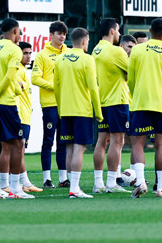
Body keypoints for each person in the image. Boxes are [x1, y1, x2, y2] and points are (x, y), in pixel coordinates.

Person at [127, 18, 162, 198]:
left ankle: (140, 181)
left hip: (141, 102)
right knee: (161, 144)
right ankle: (161, 187)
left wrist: (135, 95)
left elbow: (131, 80)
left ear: (150, 31)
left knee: (138, 143)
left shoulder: (137, 50)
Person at [0, 18, 32, 199]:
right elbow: (9, 78)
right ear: (15, 31)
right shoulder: (14, 50)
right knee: (17, 144)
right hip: (5, 103)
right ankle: (15, 189)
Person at [55, 27, 103, 199]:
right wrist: (98, 112)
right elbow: (93, 87)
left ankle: (72, 185)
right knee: (79, 149)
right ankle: (75, 188)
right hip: (82, 110)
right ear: (84, 41)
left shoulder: (60, 59)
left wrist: (60, 109)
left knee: (69, 148)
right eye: (88, 41)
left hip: (66, 110)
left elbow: (56, 87)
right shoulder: (87, 59)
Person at [92, 18, 131, 193]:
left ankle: (98, 183)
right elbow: (133, 73)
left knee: (102, 141)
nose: (120, 34)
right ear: (112, 31)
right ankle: (111, 182)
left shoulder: (96, 50)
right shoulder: (117, 51)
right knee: (118, 141)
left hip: (102, 101)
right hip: (117, 101)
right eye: (118, 30)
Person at [31, 20, 68, 188]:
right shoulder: (42, 55)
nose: (62, 37)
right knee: (48, 141)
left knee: (63, 141)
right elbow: (35, 78)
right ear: (51, 35)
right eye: (59, 33)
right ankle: (47, 179)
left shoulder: (69, 53)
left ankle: (63, 178)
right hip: (50, 104)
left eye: (64, 34)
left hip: (66, 104)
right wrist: (55, 86)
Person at [16, 41, 42, 193]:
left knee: (19, 151)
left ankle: (20, 182)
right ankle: (23, 182)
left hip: (25, 116)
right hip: (19, 116)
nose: (28, 56)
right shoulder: (17, 70)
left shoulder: (24, 70)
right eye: (25, 53)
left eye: (30, 53)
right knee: (18, 151)